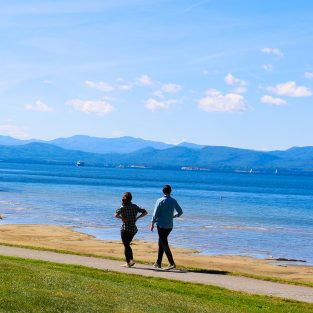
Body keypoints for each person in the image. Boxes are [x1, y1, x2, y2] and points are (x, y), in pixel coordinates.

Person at [150, 185, 183, 270]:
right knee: (161, 243)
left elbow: (155, 213)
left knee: (164, 243)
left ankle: (171, 263)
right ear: (170, 191)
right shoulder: (173, 200)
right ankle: (158, 263)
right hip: (169, 226)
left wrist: (152, 223)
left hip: (161, 225)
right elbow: (180, 212)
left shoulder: (160, 200)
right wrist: (173, 216)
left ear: (163, 191)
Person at [115, 192, 147, 267]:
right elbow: (145, 212)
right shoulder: (135, 206)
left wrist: (122, 218)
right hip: (133, 229)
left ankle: (128, 262)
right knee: (127, 245)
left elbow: (116, 215)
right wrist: (137, 218)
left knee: (126, 245)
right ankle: (130, 261)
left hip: (125, 228)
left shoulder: (122, 207)